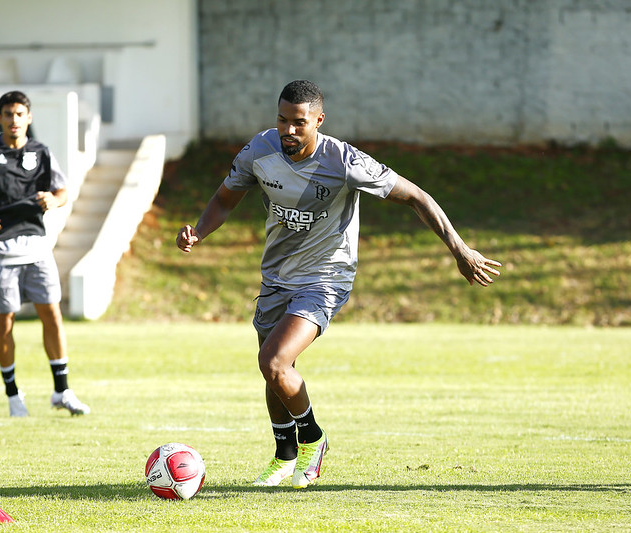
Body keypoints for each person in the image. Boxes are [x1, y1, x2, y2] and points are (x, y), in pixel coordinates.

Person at [176, 80, 501, 489]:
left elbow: (416, 195)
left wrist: (460, 249)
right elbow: (225, 198)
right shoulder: (260, 150)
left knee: (274, 362)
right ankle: (284, 456)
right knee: (275, 371)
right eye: (282, 120)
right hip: (276, 276)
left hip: (326, 277)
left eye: (299, 122)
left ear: (318, 121)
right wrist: (199, 232)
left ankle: (313, 439)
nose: (288, 130)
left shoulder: (345, 161)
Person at [0, 91, 90, 417]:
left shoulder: (41, 153)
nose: (14, 120)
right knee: (4, 321)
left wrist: (54, 201)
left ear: (28, 118)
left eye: (19, 114)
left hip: (37, 248)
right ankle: (13, 396)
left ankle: (62, 390)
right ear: (0, 118)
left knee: (52, 315)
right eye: (8, 114)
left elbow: (63, 191)